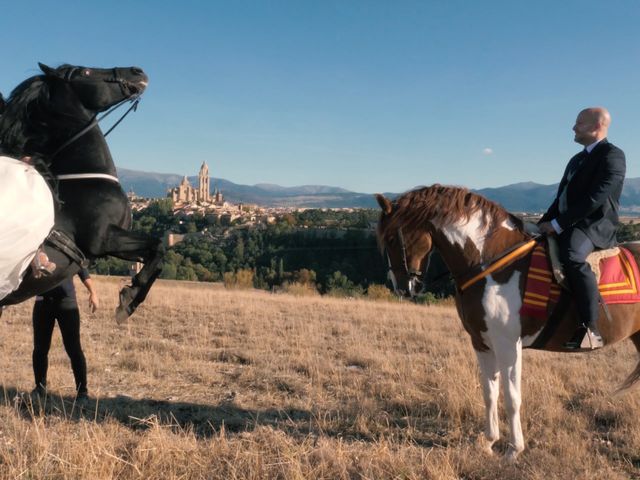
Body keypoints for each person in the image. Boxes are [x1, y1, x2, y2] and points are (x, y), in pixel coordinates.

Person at [538, 107, 626, 349]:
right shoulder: (576, 160)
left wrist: (557, 225)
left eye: (579, 123)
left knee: (572, 255)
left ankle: (591, 329)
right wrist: (541, 224)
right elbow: (561, 199)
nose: (573, 127)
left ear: (596, 126)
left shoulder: (613, 155)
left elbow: (594, 199)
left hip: (595, 226)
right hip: (570, 223)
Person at [31, 268, 98, 400]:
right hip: (42, 302)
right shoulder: (37, 248)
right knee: (40, 348)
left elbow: (82, 269)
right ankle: (40, 388)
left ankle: (82, 392)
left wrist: (93, 292)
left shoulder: (68, 247)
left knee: (74, 349)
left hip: (66, 302)